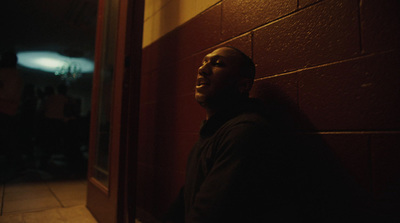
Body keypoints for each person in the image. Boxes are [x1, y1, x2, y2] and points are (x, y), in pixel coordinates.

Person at [164, 47, 372, 223]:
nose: (203, 69)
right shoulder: (209, 134)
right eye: (203, 62)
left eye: (217, 64)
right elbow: (186, 199)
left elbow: (210, 213)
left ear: (243, 85)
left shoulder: (245, 132)